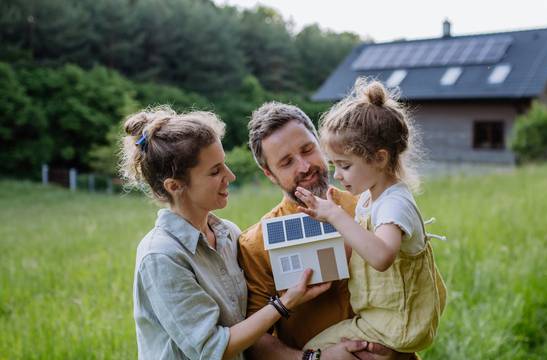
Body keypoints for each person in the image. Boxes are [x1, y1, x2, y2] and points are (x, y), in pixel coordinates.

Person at [121, 106, 329, 360]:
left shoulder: (228, 234)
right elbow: (212, 349)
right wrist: (285, 304)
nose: (230, 176)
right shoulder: (161, 256)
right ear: (175, 186)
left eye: (224, 164)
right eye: (215, 171)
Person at [238, 102, 413, 360]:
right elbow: (255, 339)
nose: (304, 166)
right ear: (270, 174)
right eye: (286, 162)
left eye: (308, 150)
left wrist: (395, 345)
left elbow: (413, 281)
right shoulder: (256, 243)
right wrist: (315, 359)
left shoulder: (374, 205)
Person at [295, 79, 447, 354]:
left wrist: (336, 215)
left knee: (312, 350)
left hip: (397, 324)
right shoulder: (370, 196)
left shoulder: (394, 205)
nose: (337, 175)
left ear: (379, 158)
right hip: (380, 318)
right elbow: (359, 248)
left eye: (345, 166)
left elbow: (380, 257)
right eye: (334, 165)